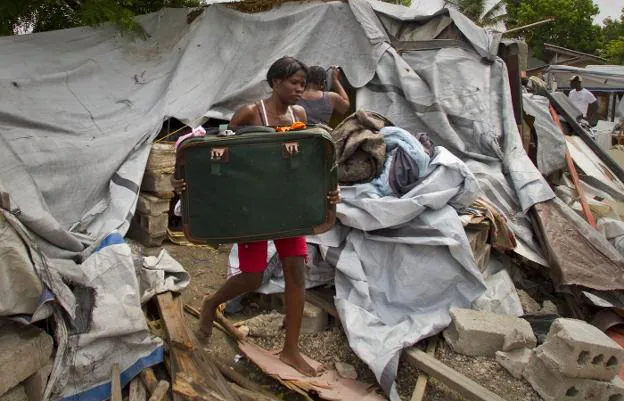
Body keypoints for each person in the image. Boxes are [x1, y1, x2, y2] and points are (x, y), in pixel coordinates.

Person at [172, 56, 340, 376]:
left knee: (296, 273)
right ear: (275, 82)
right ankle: (210, 304)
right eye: (294, 83)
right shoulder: (250, 113)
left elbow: (310, 162)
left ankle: (291, 350)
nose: (299, 89)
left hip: (288, 206)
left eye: (303, 84)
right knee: (253, 276)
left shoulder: (300, 114)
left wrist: (328, 192)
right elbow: (219, 158)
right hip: (253, 207)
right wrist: (181, 181)